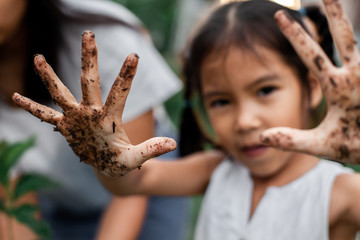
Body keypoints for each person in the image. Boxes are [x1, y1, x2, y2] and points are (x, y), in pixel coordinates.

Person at [12, 0, 360, 239]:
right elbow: (133, 184)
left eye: (265, 90)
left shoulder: (338, 191)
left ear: (312, 88)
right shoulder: (218, 170)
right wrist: (107, 160)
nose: (245, 120)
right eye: (221, 101)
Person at [0, 0, 186, 239]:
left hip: (148, 181)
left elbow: (131, 178)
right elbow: (16, 205)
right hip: (64, 199)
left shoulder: (103, 36)